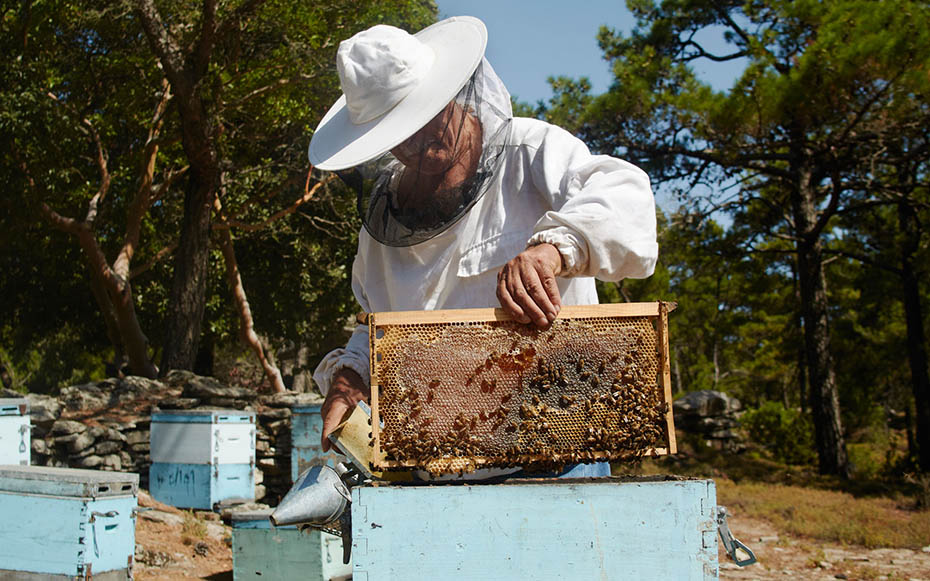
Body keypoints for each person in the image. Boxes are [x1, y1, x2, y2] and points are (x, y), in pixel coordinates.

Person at [308, 16, 658, 475]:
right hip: (437, 470)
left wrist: (551, 251)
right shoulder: (383, 225)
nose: (415, 142)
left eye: (421, 116)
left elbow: (625, 196)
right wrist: (349, 379)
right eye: (395, 134)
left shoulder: (531, 154)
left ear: (450, 92)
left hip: (558, 454)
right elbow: (374, 327)